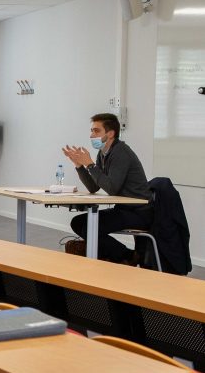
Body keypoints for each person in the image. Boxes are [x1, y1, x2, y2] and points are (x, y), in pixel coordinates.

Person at [62, 113, 152, 263]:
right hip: (124, 208)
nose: (92, 135)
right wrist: (79, 165)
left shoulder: (121, 152)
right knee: (77, 223)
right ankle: (125, 255)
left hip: (139, 212)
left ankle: (127, 257)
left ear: (110, 133)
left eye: (96, 131)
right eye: (91, 131)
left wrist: (90, 164)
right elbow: (93, 187)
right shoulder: (103, 153)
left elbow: (112, 188)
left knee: (89, 228)